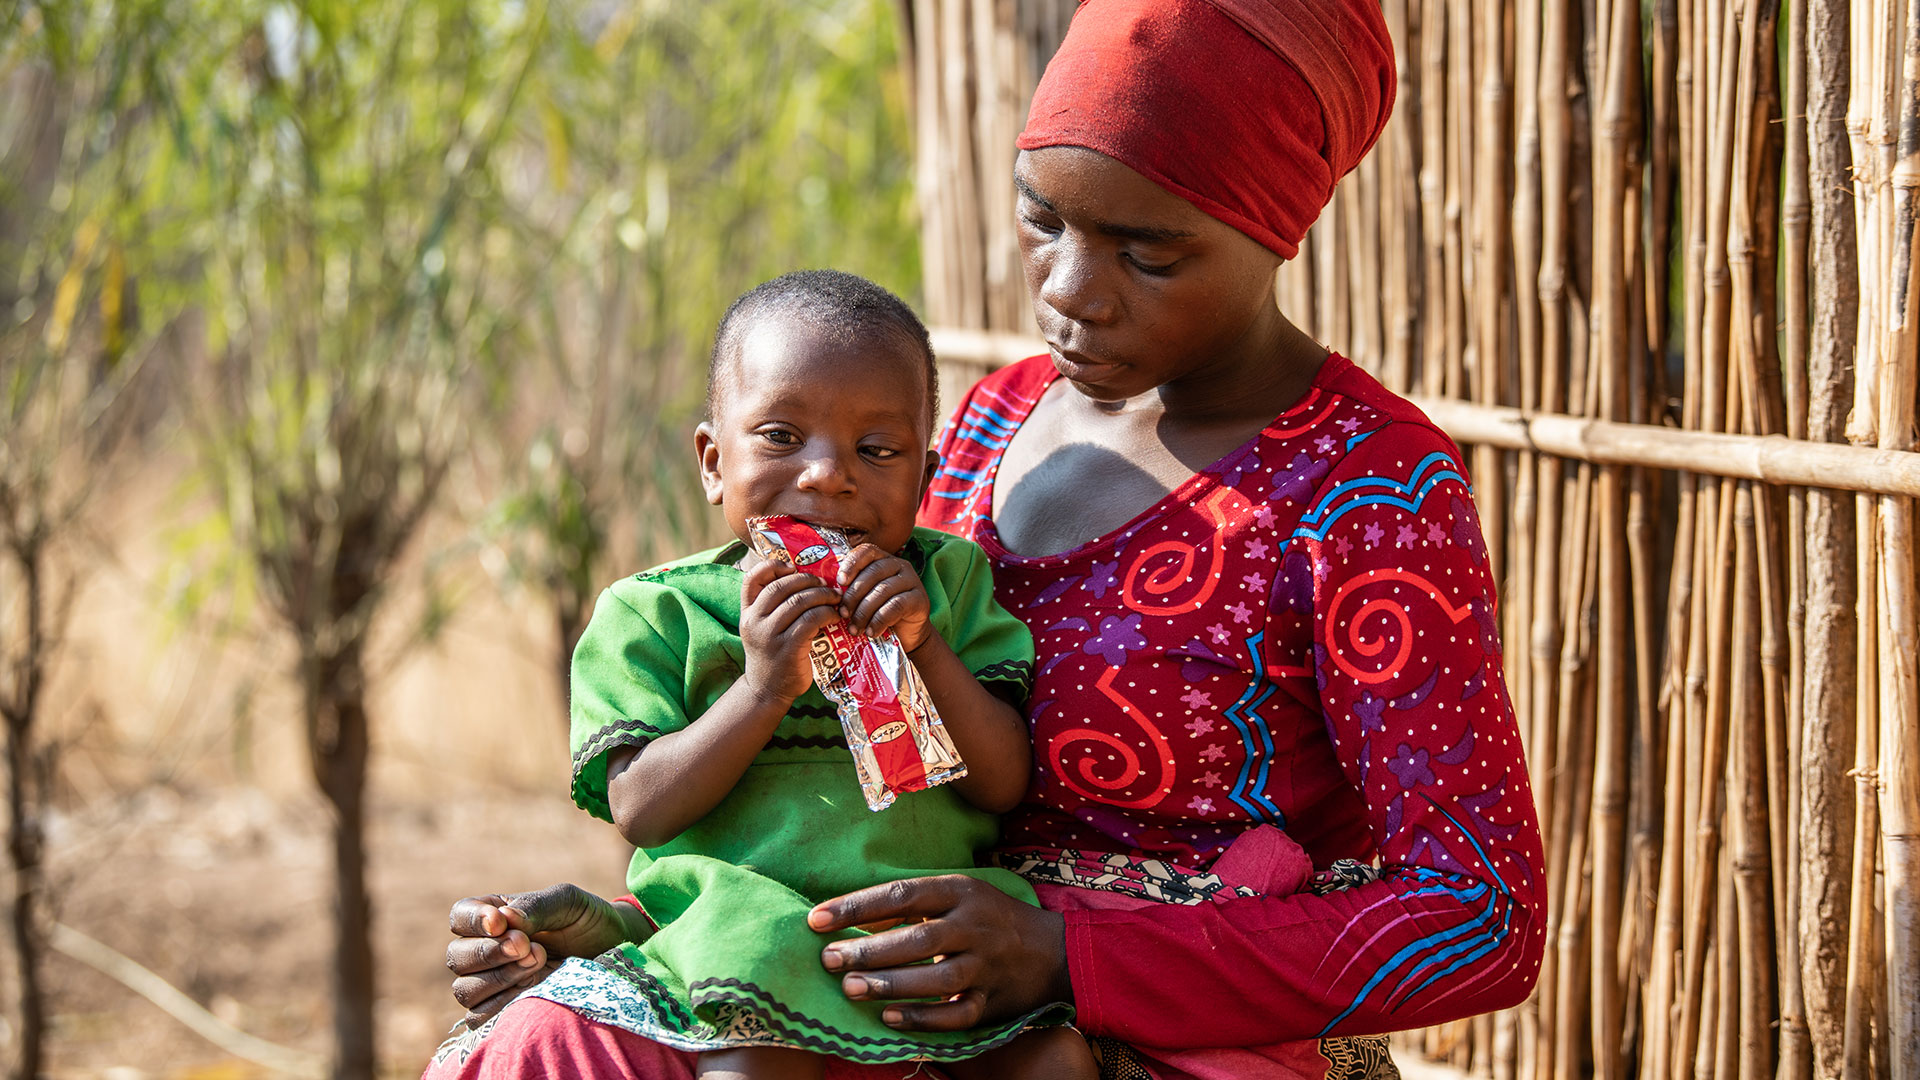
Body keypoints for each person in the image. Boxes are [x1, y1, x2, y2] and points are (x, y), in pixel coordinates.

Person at [431, 2, 1548, 1078]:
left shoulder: (1369, 492)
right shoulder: (991, 420)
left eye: (1145, 255)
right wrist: (634, 933)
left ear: (1274, 230)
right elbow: (844, 795)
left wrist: (1072, 957)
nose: (1068, 292)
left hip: (1137, 1034)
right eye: (1043, 218)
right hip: (852, 973)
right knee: (537, 1051)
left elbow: (1482, 918)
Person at [528, 269, 1097, 1080]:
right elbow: (641, 810)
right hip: (745, 937)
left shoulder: (951, 585)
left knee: (1058, 1064)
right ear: (712, 460)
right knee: (753, 1071)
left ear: (924, 481)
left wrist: (923, 645)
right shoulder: (657, 613)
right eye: (780, 437)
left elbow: (1003, 783)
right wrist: (763, 689)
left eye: (877, 450)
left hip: (927, 929)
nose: (830, 474)